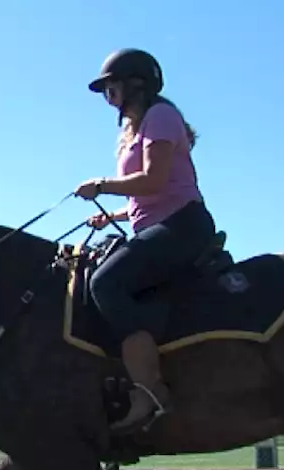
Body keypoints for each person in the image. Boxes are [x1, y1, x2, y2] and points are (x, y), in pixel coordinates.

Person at [73, 47, 217, 436]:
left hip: (184, 226)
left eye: (111, 87)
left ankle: (149, 390)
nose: (108, 97)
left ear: (137, 84)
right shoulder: (131, 129)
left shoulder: (162, 117)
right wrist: (113, 216)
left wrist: (102, 185)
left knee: (106, 282)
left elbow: (154, 180)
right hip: (157, 224)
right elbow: (146, 196)